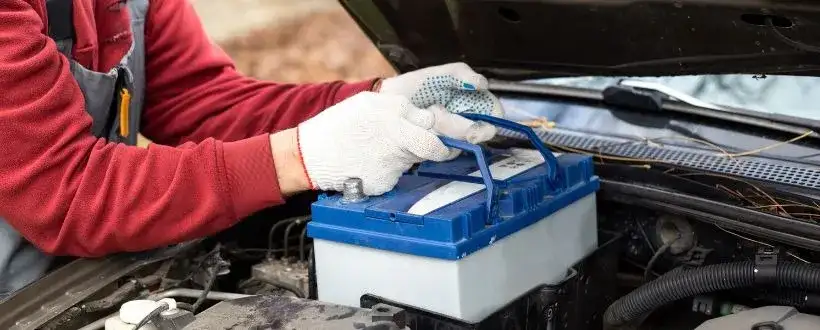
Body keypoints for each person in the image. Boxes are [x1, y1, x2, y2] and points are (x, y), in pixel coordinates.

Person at [0, 0, 504, 296]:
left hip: (82, 274)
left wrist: (376, 100)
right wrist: (299, 157)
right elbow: (68, 191)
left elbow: (198, 101)